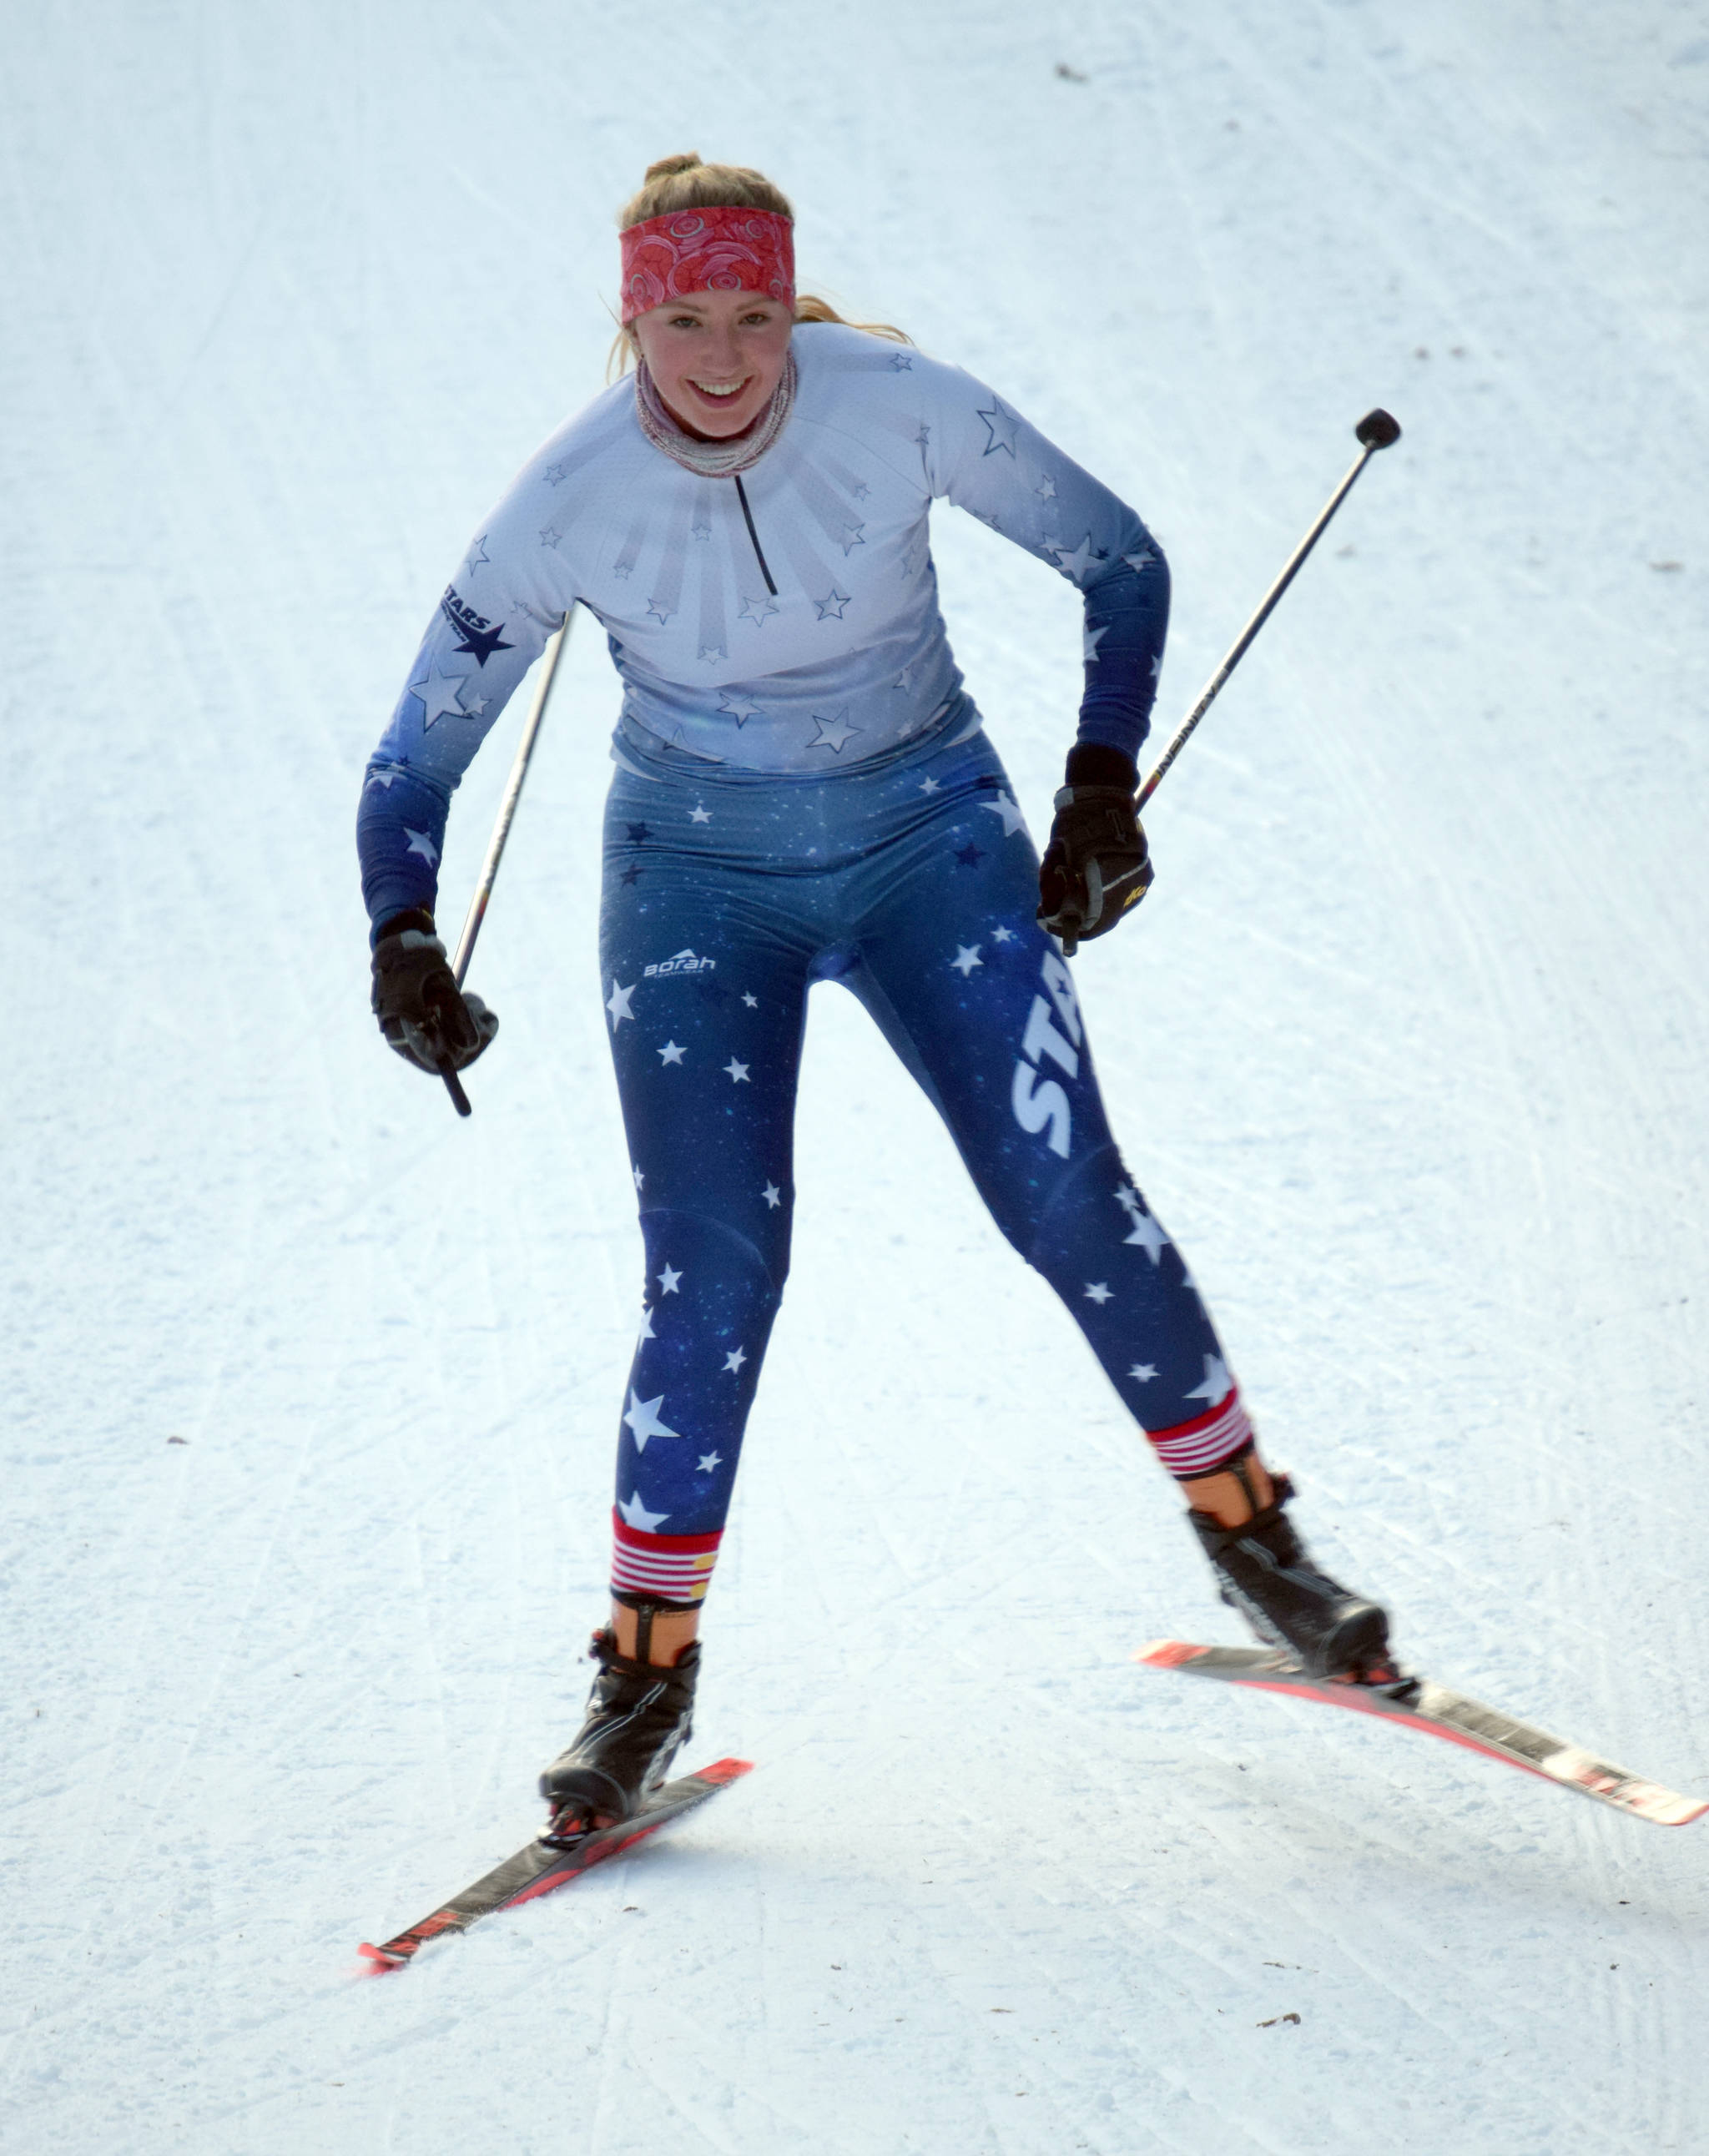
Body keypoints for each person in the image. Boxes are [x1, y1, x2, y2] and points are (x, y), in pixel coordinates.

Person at [357, 154, 1393, 1837]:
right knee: (713, 1276)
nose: (722, 354)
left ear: (790, 307)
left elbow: (1119, 560)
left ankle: (1256, 1537)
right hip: (694, 884)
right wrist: (404, 934)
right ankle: (640, 1673)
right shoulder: (566, 502)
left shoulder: (896, 405)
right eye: (683, 317)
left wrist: (1099, 784)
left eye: (753, 314)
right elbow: (412, 761)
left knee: (1071, 1196)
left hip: (931, 837)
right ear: (633, 317)